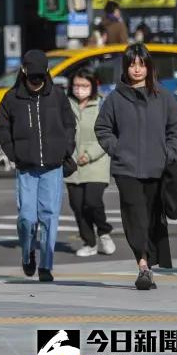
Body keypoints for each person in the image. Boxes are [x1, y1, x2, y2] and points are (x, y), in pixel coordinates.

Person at [95, 43, 177, 290]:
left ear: (148, 67)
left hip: (157, 169)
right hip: (126, 170)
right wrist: (118, 149)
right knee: (135, 216)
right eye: (132, 64)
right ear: (125, 67)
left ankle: (149, 261)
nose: (137, 69)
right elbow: (102, 129)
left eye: (141, 64)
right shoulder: (115, 98)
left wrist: (169, 153)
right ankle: (143, 266)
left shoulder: (163, 96)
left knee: (152, 218)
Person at [0, 49, 76, 282]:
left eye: (40, 77)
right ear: (23, 72)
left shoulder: (58, 96)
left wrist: (65, 150)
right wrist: (13, 153)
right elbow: (2, 128)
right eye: (32, 78)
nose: (36, 82)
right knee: (27, 218)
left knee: (50, 216)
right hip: (26, 168)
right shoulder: (12, 98)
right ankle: (27, 251)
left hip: (53, 166)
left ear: (47, 73)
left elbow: (70, 124)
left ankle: (46, 266)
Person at [65, 68, 115, 258]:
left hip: (97, 163)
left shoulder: (102, 104)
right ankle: (89, 242)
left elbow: (108, 135)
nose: (79, 89)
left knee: (92, 202)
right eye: (76, 85)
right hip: (72, 164)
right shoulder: (65, 105)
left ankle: (104, 230)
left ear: (93, 86)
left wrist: (89, 154)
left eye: (84, 86)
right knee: (77, 206)